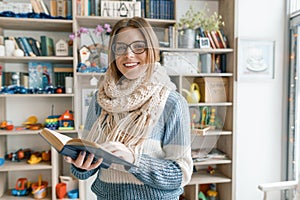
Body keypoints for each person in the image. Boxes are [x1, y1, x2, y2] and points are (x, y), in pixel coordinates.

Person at [64, 16, 193, 200]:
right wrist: (80, 165)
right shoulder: (100, 99)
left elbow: (181, 174)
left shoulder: (172, 102)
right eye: (120, 48)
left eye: (138, 47)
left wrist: (134, 160)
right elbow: (85, 170)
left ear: (152, 51)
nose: (129, 54)